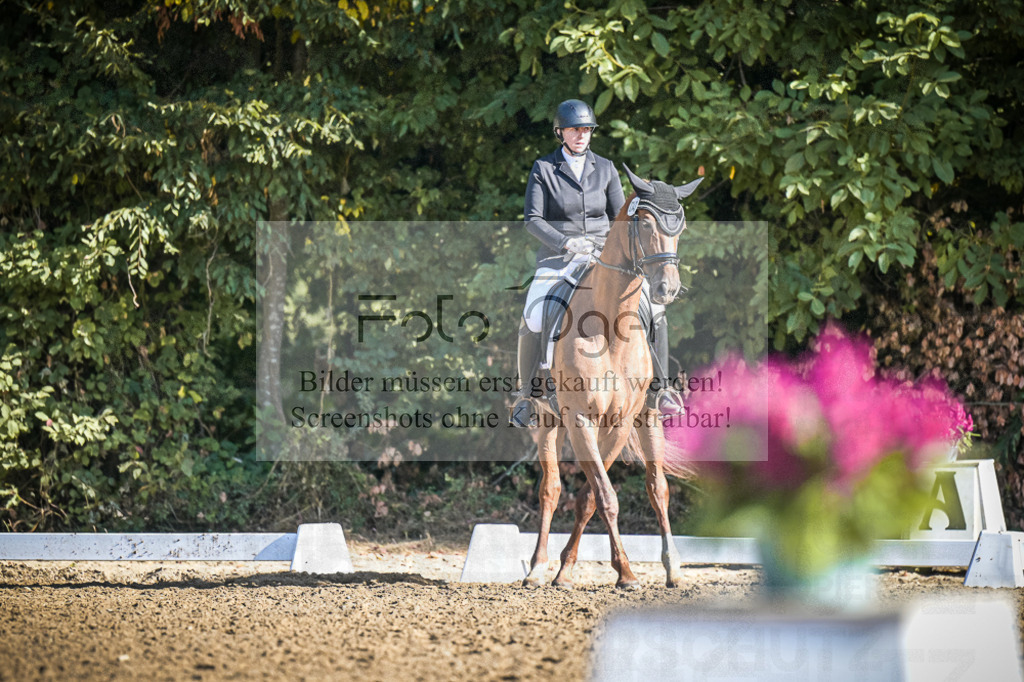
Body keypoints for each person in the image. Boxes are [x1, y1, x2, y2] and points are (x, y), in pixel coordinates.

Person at [509, 99, 684, 427]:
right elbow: (532, 219)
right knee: (533, 311)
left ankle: (661, 390)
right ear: (560, 133)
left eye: (586, 130)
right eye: (575, 130)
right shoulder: (544, 169)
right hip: (558, 258)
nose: (581, 135)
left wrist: (609, 248)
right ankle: (526, 394)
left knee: (656, 310)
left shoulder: (605, 168)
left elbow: (621, 217)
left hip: (604, 259)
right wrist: (566, 242)